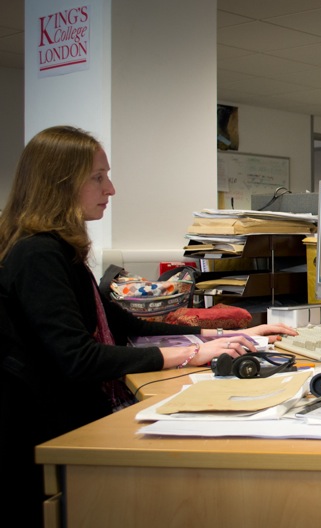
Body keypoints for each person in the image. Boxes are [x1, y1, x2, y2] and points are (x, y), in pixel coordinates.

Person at [0, 125, 299, 525]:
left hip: (64, 418)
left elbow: (125, 324)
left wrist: (224, 334)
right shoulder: (37, 255)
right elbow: (79, 358)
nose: (110, 189)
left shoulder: (56, 250)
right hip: (50, 433)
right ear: (60, 184)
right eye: (98, 177)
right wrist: (191, 355)